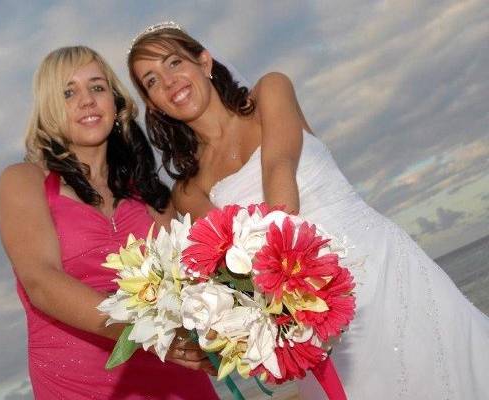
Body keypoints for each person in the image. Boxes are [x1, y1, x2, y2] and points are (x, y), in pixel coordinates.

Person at [127, 23, 489, 399]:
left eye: (174, 63)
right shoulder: (189, 189)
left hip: (384, 267)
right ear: (153, 104)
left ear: (204, 61)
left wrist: (287, 276)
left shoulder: (271, 90)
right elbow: (226, 268)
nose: (169, 82)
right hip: (307, 317)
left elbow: (279, 166)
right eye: (152, 81)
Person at [0, 45, 218, 399]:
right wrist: (147, 332)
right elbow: (41, 280)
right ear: (49, 109)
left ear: (115, 103)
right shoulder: (24, 181)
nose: (86, 100)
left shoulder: (148, 190)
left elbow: (185, 278)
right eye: (68, 92)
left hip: (175, 377)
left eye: (97, 87)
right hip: (79, 384)